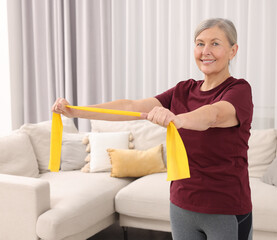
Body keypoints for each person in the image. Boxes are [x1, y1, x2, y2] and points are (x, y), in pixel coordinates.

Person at [52, 18, 253, 240]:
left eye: (215, 43)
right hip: (182, 206)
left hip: (225, 209)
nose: (206, 51)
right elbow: (131, 106)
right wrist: (76, 111)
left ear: (233, 50)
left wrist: (178, 119)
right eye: (199, 43)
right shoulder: (183, 90)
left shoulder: (239, 90)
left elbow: (213, 115)